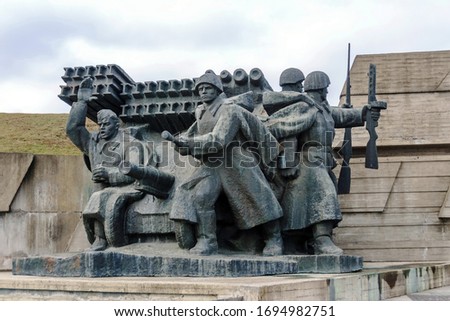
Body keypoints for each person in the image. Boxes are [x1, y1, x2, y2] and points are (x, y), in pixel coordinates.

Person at [167, 72, 284, 256]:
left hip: (236, 161)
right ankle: (207, 240)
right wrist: (181, 144)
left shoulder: (230, 110)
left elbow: (219, 138)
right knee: (201, 195)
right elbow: (193, 136)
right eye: (200, 89)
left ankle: (273, 239)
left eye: (207, 88)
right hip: (211, 163)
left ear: (217, 89)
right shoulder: (201, 112)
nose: (203, 91)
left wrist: (190, 143)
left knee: (259, 199)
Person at [266, 71, 380, 255]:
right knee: (325, 195)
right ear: (320, 88)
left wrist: (365, 112)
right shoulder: (304, 107)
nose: (327, 91)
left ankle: (308, 240)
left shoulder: (323, 109)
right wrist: (288, 162)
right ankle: (322, 240)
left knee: (314, 199)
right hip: (307, 161)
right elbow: (289, 132)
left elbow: (342, 116)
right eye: (325, 88)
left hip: (323, 161)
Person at [66, 77, 159, 251]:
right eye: (100, 124)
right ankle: (98, 239)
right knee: (99, 196)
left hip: (130, 187)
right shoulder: (93, 142)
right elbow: (73, 130)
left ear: (116, 125)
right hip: (102, 188)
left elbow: (134, 171)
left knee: (102, 198)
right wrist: (81, 102)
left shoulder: (131, 144)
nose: (102, 128)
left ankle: (106, 240)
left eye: (106, 124)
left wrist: (110, 175)